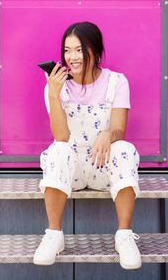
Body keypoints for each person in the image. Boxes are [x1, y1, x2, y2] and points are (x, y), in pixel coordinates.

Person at [33, 21, 141, 270]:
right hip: (71, 172)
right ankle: (54, 235)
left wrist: (109, 134)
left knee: (124, 148)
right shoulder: (56, 85)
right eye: (67, 50)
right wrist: (53, 93)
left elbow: (119, 129)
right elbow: (61, 136)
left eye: (79, 50)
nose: (72, 57)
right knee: (57, 150)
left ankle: (124, 236)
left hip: (104, 166)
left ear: (96, 50)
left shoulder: (117, 82)